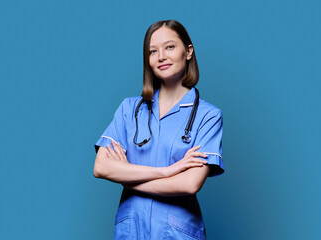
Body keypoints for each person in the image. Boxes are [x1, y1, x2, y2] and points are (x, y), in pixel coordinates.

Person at [93, 19, 224, 240]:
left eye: (170, 47)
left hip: (177, 232)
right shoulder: (129, 109)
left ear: (189, 51)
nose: (161, 56)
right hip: (131, 230)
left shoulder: (207, 116)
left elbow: (189, 183)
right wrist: (167, 171)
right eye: (153, 51)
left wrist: (128, 176)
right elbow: (101, 167)